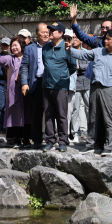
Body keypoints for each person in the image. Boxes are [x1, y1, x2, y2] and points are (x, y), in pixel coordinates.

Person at [67, 28, 112, 156]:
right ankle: (91, 144)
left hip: (110, 89)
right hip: (94, 87)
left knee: (108, 119)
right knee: (93, 118)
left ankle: (108, 146)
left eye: (108, 39)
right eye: (105, 38)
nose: (105, 41)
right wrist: (69, 49)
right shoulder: (98, 51)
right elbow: (81, 55)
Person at [39, 22, 77, 152]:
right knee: (49, 114)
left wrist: (62, 76)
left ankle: (62, 141)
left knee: (62, 115)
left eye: (53, 30)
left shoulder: (67, 48)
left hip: (61, 86)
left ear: (61, 33)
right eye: (49, 30)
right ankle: (50, 140)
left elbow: (72, 67)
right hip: (46, 85)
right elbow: (46, 64)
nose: (49, 33)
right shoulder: (46, 47)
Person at [0, 37, 31, 147]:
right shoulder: (10, 59)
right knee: (15, 116)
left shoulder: (28, 58)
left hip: (27, 92)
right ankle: (16, 139)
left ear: (22, 46)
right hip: (14, 92)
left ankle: (27, 139)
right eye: (12, 46)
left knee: (27, 115)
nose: (13, 48)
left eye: (16, 45)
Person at [20, 23, 50, 148]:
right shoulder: (29, 48)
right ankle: (36, 139)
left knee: (50, 112)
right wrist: (24, 83)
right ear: (37, 34)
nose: (46, 34)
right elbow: (24, 67)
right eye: (43, 32)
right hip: (35, 83)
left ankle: (50, 138)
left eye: (47, 32)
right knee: (36, 113)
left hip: (49, 83)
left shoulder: (52, 46)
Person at [69, 34, 90, 144]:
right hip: (74, 83)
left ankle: (88, 132)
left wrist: (79, 67)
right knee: (75, 109)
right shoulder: (69, 52)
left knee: (89, 108)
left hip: (87, 82)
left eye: (77, 37)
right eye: (73, 37)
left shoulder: (85, 52)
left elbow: (88, 66)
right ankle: (75, 133)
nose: (75, 39)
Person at [0, 37, 11, 135]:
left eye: (7, 45)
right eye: (3, 45)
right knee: (1, 106)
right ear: (0, 46)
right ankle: (3, 128)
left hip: (11, 84)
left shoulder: (13, 56)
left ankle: (10, 127)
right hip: (0, 83)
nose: (5, 47)